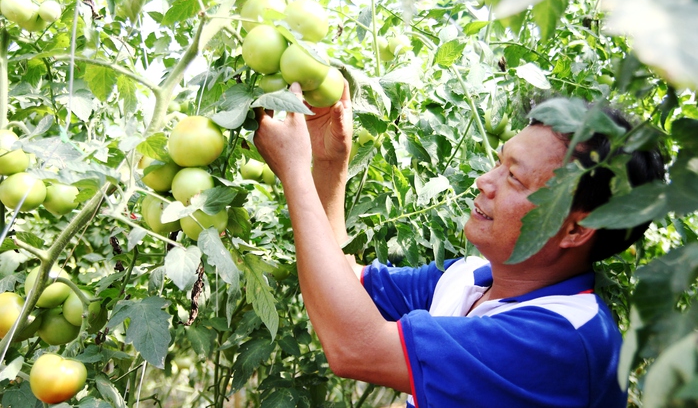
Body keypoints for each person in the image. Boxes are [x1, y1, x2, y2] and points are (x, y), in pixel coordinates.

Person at [253, 81, 664, 408]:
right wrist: (330, 162)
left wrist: (295, 172)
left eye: (514, 178)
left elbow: (354, 347)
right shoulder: (468, 279)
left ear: (576, 229)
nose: (485, 182)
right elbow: (342, 282)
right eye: (499, 162)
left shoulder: (564, 340)